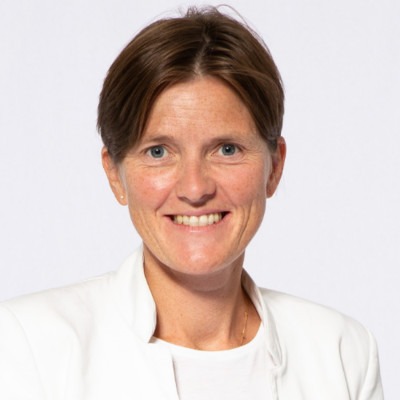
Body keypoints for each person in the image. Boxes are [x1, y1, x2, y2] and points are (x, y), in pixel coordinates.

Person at [0, 6, 383, 400]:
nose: (195, 188)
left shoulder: (341, 354)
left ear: (274, 167)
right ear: (115, 174)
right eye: (158, 152)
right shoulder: (30, 347)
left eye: (227, 149)